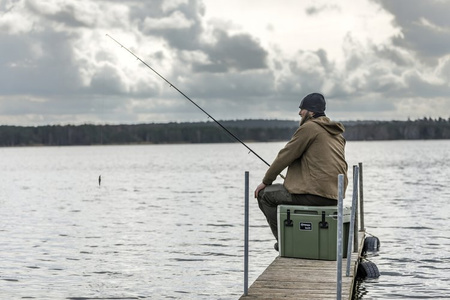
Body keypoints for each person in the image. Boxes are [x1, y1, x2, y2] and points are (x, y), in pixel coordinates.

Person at [254, 92, 348, 250]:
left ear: (311, 112)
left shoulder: (309, 128)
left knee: (265, 196)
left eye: (302, 109)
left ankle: (284, 241)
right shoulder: (335, 133)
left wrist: (265, 182)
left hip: (315, 195)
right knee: (281, 191)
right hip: (335, 196)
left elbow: (285, 156)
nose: (299, 113)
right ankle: (300, 236)